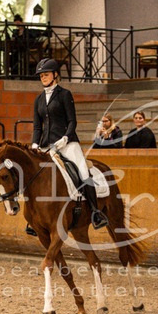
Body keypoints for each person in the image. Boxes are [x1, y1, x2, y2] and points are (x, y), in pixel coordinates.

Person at [32, 58, 109, 230]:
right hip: (46, 145)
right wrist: (34, 145)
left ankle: (96, 212)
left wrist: (66, 137)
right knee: (35, 175)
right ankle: (34, 218)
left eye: (46, 75)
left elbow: (72, 121)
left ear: (55, 75)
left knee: (83, 171)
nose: (43, 78)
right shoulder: (38, 99)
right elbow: (37, 127)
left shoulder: (64, 94)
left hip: (67, 143)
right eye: (41, 76)